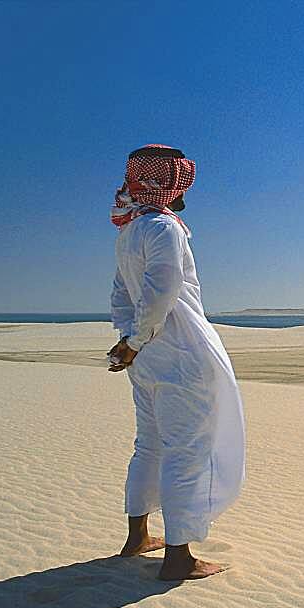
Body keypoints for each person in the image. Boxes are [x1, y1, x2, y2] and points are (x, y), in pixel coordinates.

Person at [107, 144, 245, 580]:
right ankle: (179, 557)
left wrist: (130, 342)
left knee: (150, 444)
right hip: (180, 354)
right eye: (180, 181)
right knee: (186, 450)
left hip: (147, 358)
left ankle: (138, 537)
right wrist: (135, 338)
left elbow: (120, 296)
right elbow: (161, 292)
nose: (185, 190)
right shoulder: (163, 228)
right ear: (165, 183)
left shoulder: (129, 232)